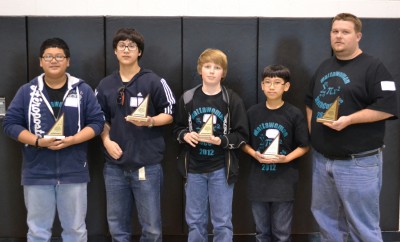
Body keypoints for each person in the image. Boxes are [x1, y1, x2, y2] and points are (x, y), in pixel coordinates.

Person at [305, 13, 399, 242]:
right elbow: (309, 102)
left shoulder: (374, 67)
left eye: (345, 32)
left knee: (363, 228)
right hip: (322, 161)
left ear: (358, 36)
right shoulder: (325, 66)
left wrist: (349, 119)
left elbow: (388, 107)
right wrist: (314, 136)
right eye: (335, 31)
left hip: (358, 163)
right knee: (326, 223)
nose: (339, 36)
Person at [2, 37, 105, 242]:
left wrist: (74, 140)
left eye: (59, 56)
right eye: (48, 56)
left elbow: (97, 123)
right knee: (38, 231)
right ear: (41, 61)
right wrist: (38, 141)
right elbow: (10, 124)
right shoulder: (27, 91)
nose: (54, 60)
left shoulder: (82, 90)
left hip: (74, 170)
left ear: (68, 61)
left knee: (75, 230)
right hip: (37, 171)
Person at [95, 27, 176, 242]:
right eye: (122, 45)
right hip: (114, 167)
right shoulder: (105, 85)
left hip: (146, 165)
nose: (126, 50)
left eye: (132, 46)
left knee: (152, 229)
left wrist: (149, 121)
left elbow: (169, 114)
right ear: (115, 51)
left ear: (139, 51)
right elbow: (98, 119)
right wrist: (106, 140)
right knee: (116, 227)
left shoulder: (155, 81)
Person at [173, 48, 248, 242]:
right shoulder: (188, 98)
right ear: (200, 70)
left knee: (222, 222)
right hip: (194, 168)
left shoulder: (232, 100)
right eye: (207, 67)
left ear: (223, 72)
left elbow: (242, 135)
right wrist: (185, 135)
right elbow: (177, 128)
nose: (212, 71)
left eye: (217, 67)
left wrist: (221, 140)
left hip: (221, 168)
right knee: (195, 221)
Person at [242, 64, 309, 242]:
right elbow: (243, 143)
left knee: (282, 234)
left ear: (286, 87)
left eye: (277, 82)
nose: (272, 87)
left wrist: (287, 158)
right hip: (258, 182)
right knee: (261, 233)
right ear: (262, 85)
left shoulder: (294, 114)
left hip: (284, 183)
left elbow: (305, 145)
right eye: (268, 82)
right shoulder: (252, 113)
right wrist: (254, 154)